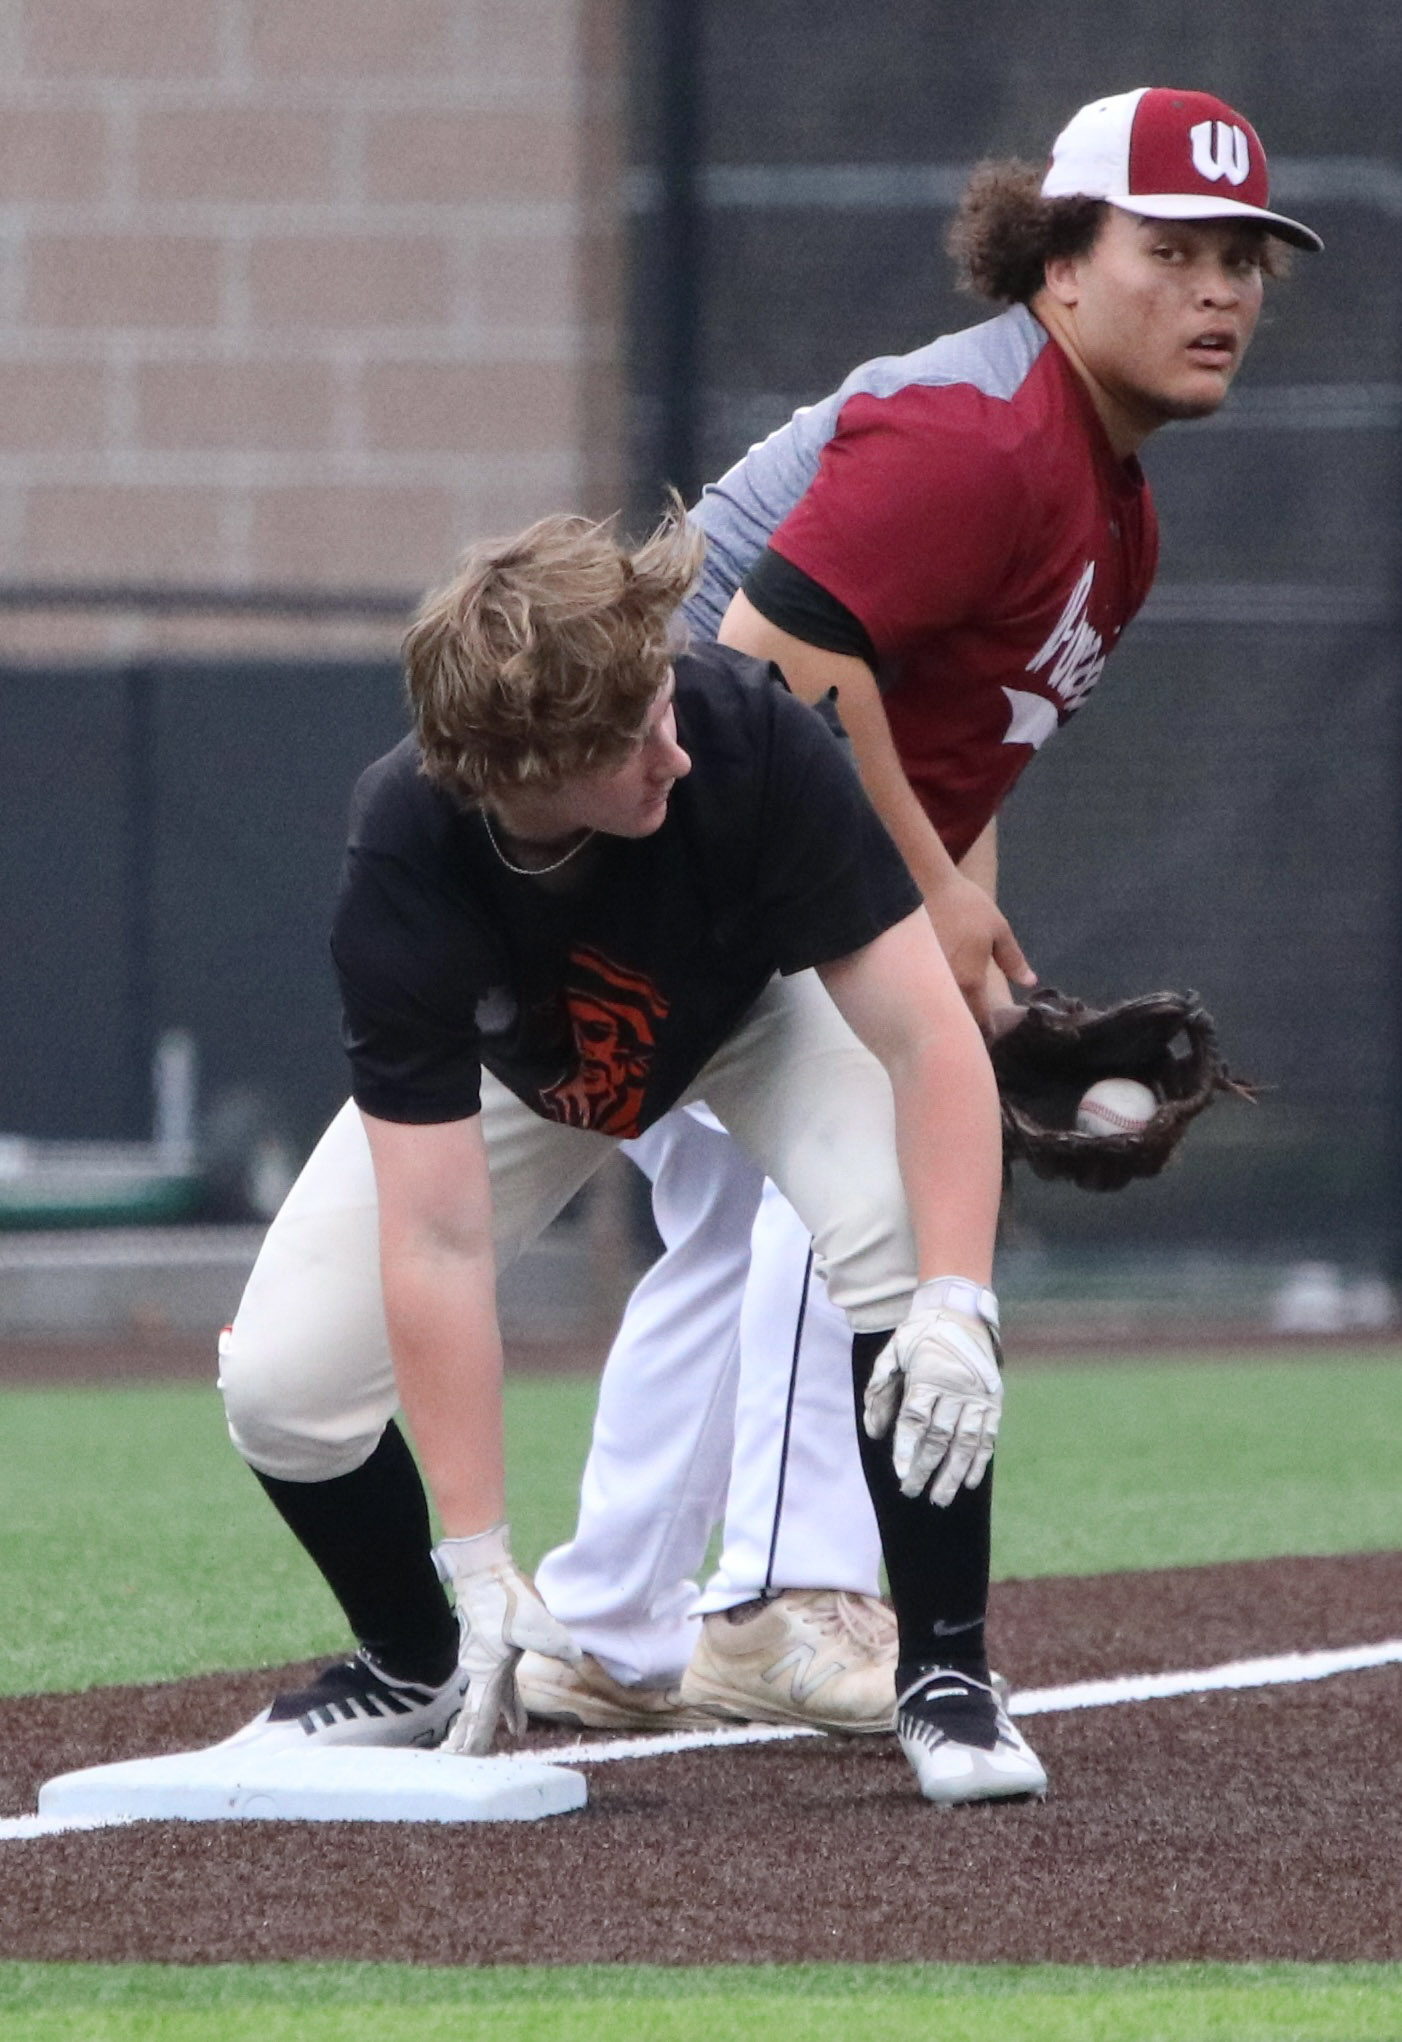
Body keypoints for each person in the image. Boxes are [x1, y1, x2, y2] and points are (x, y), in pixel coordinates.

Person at [518, 85, 1322, 1733]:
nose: (1218, 290)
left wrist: (979, 974)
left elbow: (952, 747)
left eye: (1242, 258)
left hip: (702, 818)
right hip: (649, 794)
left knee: (738, 1217)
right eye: (1170, 250)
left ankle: (604, 1624)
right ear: (1060, 261)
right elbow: (772, 661)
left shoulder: (1108, 498)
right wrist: (923, 910)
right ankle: (781, 1594)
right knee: (849, 1158)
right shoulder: (985, 432)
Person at [215, 501, 1048, 1805]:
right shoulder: (408, 844)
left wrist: (954, 1296)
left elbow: (926, 1042)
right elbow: (435, 1242)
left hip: (756, 1015)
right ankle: (412, 1660)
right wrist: (478, 1554)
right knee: (281, 1383)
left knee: (899, 1239)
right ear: (522, 770)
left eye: (662, 700)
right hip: (530, 1068)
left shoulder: (746, 733)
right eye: (630, 738)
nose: (675, 747)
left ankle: (946, 1669)